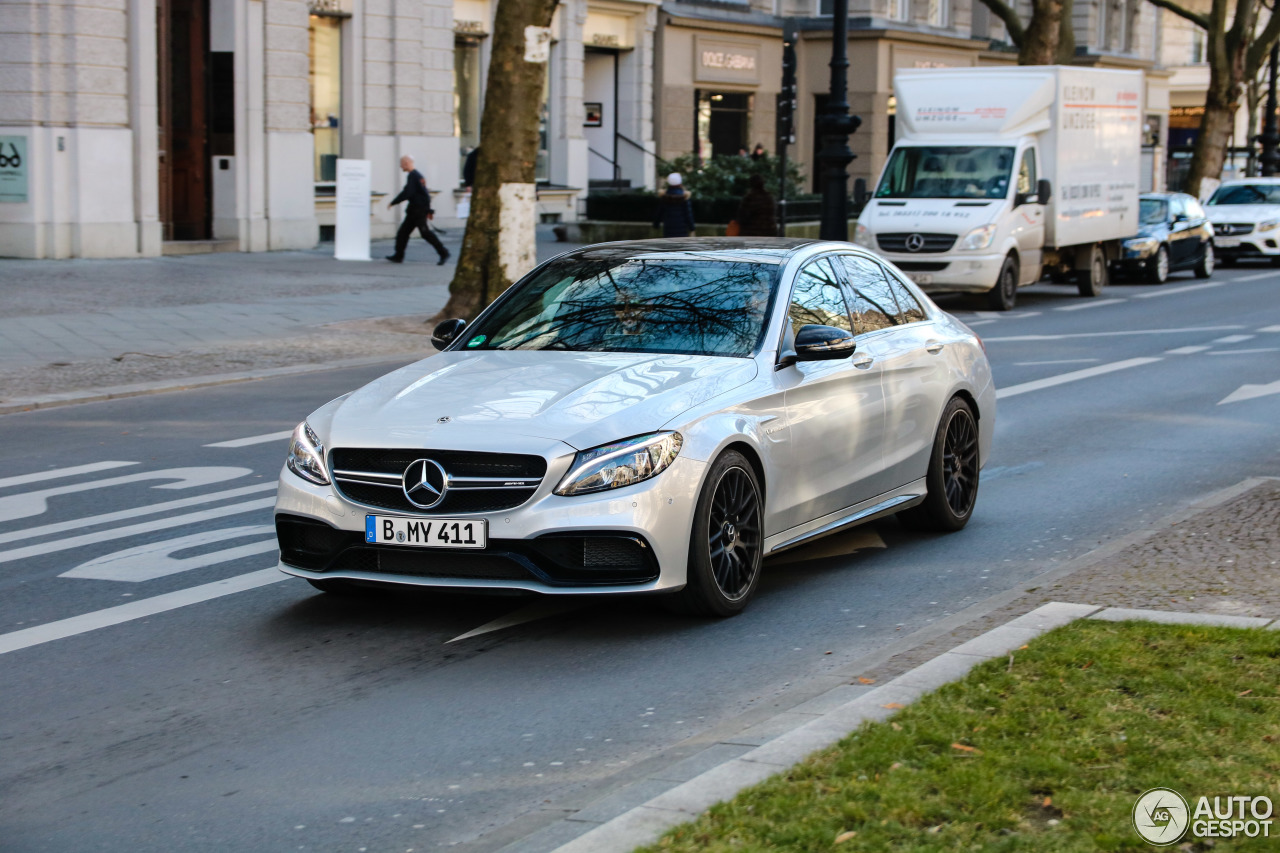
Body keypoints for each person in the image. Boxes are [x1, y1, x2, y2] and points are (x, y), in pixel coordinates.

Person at [387, 154, 450, 265]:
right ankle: (398, 255)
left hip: (418, 211)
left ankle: (443, 253)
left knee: (425, 233)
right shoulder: (417, 176)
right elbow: (423, 194)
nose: (401, 166)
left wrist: (394, 202)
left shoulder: (413, 176)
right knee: (403, 233)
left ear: (406, 163)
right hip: (415, 210)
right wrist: (428, 209)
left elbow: (408, 193)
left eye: (401, 164)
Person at [653, 173, 695, 238]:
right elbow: (688, 215)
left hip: (668, 230)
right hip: (682, 231)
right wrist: (692, 228)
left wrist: (656, 225)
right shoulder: (684, 198)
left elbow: (659, 213)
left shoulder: (664, 197)